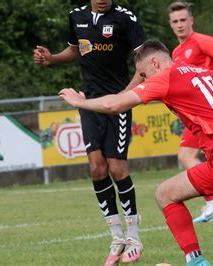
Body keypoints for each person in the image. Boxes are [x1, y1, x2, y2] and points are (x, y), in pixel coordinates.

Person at [59, 39, 213, 266]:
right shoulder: (205, 72)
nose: (144, 80)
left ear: (155, 62)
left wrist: (80, 102)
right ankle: (196, 261)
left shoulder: (166, 76)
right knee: (166, 193)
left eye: (144, 74)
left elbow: (115, 104)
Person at [33, 0, 146, 264]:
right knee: (97, 168)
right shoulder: (76, 17)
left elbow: (145, 60)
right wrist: (52, 58)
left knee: (117, 167)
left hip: (117, 103)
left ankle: (134, 236)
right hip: (89, 102)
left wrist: (125, 95)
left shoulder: (125, 18)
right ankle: (116, 236)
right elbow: (76, 50)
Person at [168, 1, 213, 223]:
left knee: (186, 155)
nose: (180, 25)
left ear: (191, 20)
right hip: (195, 113)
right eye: (175, 21)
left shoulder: (200, 41)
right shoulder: (176, 52)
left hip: (207, 111)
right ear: (170, 25)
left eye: (183, 20)